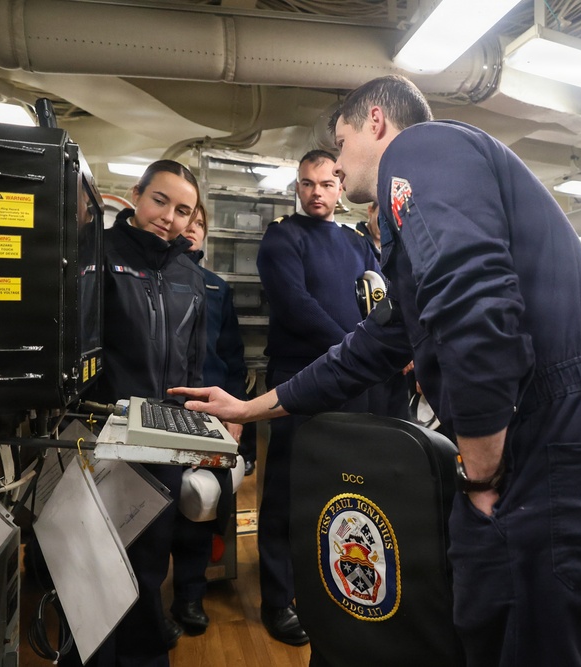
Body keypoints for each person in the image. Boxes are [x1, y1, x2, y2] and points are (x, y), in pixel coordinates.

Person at [172, 74, 581, 667]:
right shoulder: (422, 214)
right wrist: (251, 407)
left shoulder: (423, 148)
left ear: (376, 121)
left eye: (342, 139)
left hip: (557, 460)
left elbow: (475, 307)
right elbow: (366, 349)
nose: (338, 158)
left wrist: (481, 475)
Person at [77, 159, 207, 667]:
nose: (169, 217)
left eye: (183, 210)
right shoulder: (98, 254)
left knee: (149, 564)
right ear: (136, 195)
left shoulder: (188, 276)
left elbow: (194, 368)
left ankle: (144, 656)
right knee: (94, 567)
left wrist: (196, 432)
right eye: (160, 200)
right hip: (100, 435)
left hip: (165, 441)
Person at [253, 148, 382, 646]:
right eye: (307, 184)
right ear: (298, 187)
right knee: (286, 494)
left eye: (326, 184)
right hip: (300, 379)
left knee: (341, 491)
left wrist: (368, 356)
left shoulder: (357, 244)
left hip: (353, 381)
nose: (316, 193)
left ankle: (326, 587)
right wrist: (354, 351)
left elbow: (380, 299)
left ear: (340, 185)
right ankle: (277, 598)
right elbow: (296, 306)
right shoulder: (281, 238)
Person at [167, 201, 246, 640]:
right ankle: (146, 599)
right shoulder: (153, 281)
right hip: (164, 409)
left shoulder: (217, 288)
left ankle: (189, 595)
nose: (192, 229)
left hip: (211, 414)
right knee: (157, 505)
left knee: (201, 506)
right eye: (187, 220)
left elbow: (233, 359)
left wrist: (239, 415)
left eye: (200, 223)